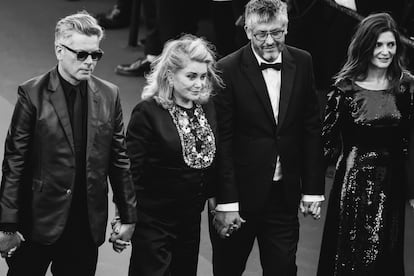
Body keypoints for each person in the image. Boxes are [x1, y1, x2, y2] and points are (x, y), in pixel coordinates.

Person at [0, 11, 137, 275]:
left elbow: (119, 159)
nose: (89, 62)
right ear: (59, 50)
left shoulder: (110, 95)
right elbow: (14, 162)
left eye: (96, 55)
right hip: (37, 222)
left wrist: (128, 216)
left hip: (85, 225)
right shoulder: (32, 94)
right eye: (81, 54)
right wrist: (6, 225)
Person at [209, 0, 325, 275]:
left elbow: (311, 127)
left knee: (283, 269)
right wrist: (226, 201)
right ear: (248, 31)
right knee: (228, 269)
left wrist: (312, 188)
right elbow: (221, 140)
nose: (270, 40)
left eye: (277, 32)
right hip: (238, 197)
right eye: (261, 33)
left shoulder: (303, 61)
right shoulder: (226, 69)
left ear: (286, 28)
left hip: (283, 197)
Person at [317, 12, 414, 276]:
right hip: (352, 182)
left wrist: (412, 188)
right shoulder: (345, 88)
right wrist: (310, 189)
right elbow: (326, 142)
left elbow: (410, 141)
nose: (385, 51)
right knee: (349, 254)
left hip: (391, 185)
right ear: (365, 45)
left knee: (385, 253)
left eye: (390, 45)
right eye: (378, 44)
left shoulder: (406, 87)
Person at [121, 34, 222, 275]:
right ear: (170, 75)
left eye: (203, 76)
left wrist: (220, 199)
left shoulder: (206, 108)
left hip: (189, 223)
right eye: (191, 76)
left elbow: (214, 161)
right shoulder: (147, 112)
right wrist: (126, 218)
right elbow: (129, 171)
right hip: (153, 224)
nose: (199, 83)